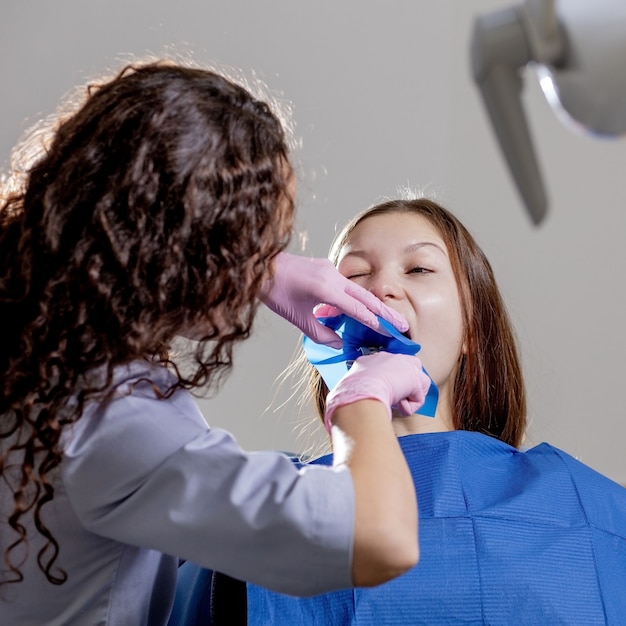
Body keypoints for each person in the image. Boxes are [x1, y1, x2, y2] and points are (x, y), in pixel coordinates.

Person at [0, 60, 433, 626]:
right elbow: (382, 538)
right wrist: (360, 398)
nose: (381, 290)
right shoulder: (117, 423)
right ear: (189, 250)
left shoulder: (29, 324)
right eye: (257, 242)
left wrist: (254, 270)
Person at [245, 197, 626, 625]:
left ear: (473, 330)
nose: (379, 288)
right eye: (354, 274)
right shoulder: (258, 509)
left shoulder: (598, 514)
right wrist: (251, 269)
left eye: (419, 269)